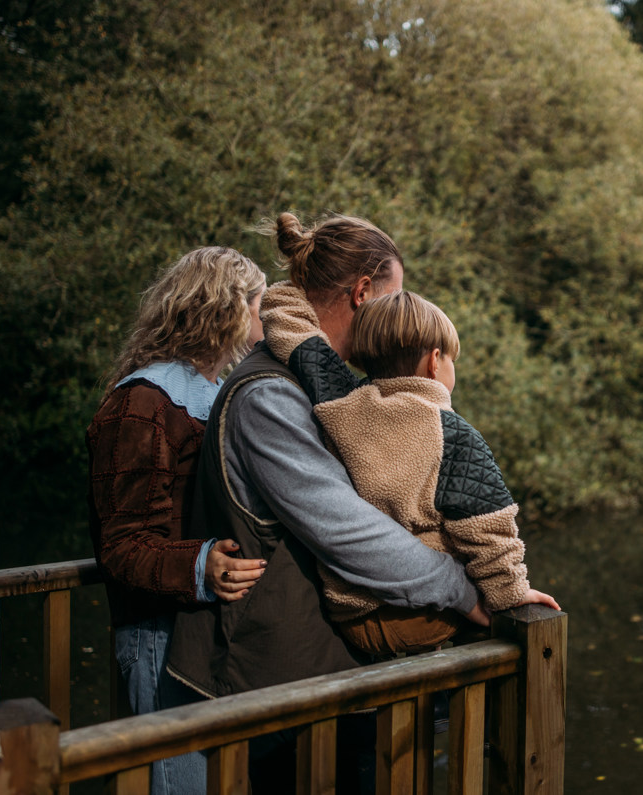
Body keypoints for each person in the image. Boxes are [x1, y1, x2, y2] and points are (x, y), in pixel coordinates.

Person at [165, 213, 484, 788]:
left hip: (320, 684)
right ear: (362, 294)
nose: (397, 321)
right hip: (273, 693)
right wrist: (462, 590)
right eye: (392, 300)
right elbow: (347, 530)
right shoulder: (269, 396)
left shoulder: (325, 388)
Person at [259, 287, 559, 655]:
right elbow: (488, 530)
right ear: (435, 362)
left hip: (349, 612)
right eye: (452, 361)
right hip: (415, 617)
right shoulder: (452, 432)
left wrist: (302, 273)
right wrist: (512, 592)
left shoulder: (339, 400)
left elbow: (288, 325)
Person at [87, 246, 269, 795]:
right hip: (157, 635)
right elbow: (122, 544)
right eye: (261, 305)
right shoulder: (142, 403)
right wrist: (202, 562)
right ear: (229, 309)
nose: (268, 319)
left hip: (204, 631)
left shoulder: (217, 391)